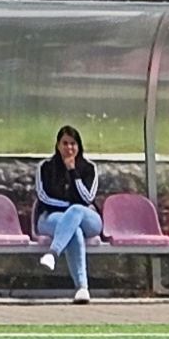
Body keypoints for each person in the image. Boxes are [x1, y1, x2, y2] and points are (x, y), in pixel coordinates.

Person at [35, 126, 100, 304]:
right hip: (51, 217)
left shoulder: (89, 168)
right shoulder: (45, 167)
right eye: (65, 143)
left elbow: (87, 198)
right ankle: (82, 288)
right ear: (57, 145)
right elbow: (43, 197)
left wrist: (73, 172)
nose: (69, 148)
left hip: (87, 218)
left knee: (76, 211)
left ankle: (53, 253)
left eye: (73, 144)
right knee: (74, 231)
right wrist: (70, 207)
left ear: (78, 146)